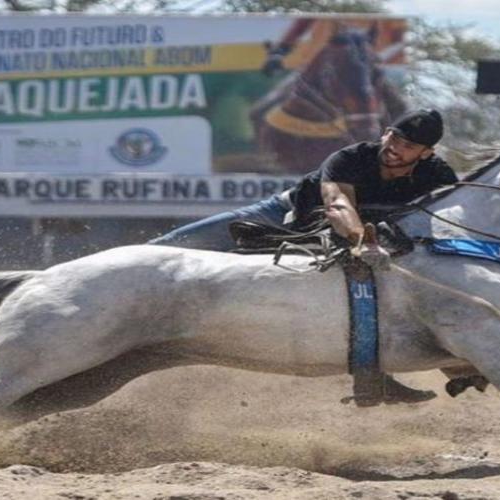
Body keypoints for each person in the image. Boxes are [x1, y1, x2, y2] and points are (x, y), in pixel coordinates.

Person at [150, 109, 458, 406]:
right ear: (385, 133)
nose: (395, 149)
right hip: (286, 214)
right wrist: (363, 241)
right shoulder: (351, 157)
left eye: (408, 146)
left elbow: (445, 223)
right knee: (172, 248)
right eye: (394, 138)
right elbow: (337, 205)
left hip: (364, 237)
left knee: (381, 291)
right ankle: (126, 270)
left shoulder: (439, 176)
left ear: (426, 153)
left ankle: (378, 377)